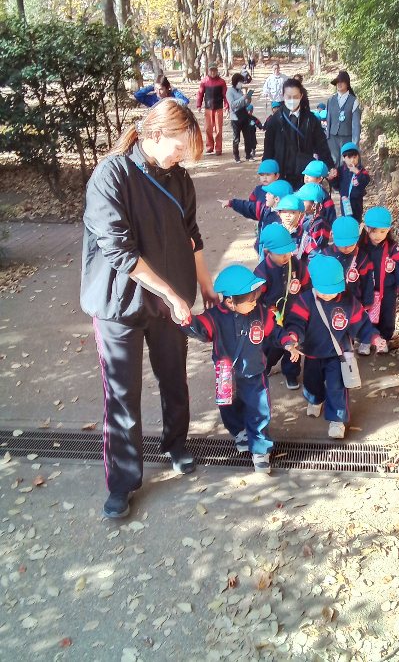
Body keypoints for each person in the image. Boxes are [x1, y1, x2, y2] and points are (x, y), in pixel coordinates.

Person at [81, 99, 215, 519]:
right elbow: (120, 251)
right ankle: (122, 481)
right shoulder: (111, 175)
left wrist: (205, 285)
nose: (183, 156)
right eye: (179, 147)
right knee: (122, 393)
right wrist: (171, 294)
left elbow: (192, 235)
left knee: (174, 377)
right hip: (118, 302)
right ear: (155, 134)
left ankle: (176, 444)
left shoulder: (180, 179)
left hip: (169, 302)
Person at [182, 265, 275, 473]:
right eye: (250, 299)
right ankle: (240, 431)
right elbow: (201, 329)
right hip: (226, 375)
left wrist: (287, 340)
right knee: (228, 407)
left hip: (254, 372)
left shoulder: (259, 313)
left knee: (260, 409)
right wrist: (186, 320)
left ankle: (260, 449)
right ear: (230, 302)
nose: (255, 302)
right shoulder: (214, 317)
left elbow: (274, 330)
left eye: (255, 297)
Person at [281, 255, 387, 439]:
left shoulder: (348, 301)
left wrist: (374, 337)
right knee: (312, 383)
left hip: (338, 353)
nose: (327, 295)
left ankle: (337, 420)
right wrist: (293, 336)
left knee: (337, 386)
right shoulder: (305, 300)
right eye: (323, 291)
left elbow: (361, 323)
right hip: (313, 352)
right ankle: (315, 400)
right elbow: (296, 322)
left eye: (332, 290)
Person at [254, 224, 311, 390]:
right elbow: (256, 299)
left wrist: (307, 307)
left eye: (288, 251)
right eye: (281, 253)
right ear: (268, 252)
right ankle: (265, 366)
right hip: (272, 317)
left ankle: (291, 373)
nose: (286, 256)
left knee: (293, 342)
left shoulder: (297, 265)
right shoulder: (261, 272)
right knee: (270, 346)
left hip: (295, 314)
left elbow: (307, 285)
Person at [263, 78, 335, 190]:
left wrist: (330, 166)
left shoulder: (311, 120)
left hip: (305, 176)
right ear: (283, 96)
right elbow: (268, 149)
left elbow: (321, 146)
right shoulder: (275, 120)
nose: (292, 100)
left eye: (295, 97)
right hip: (281, 175)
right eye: (289, 97)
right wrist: (266, 172)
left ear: (301, 96)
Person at [357, 207, 399, 355]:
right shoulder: (360, 247)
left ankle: (383, 339)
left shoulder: (393, 248)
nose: (378, 236)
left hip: (387, 289)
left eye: (382, 231)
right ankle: (365, 339)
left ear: (388, 230)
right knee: (366, 314)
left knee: (386, 315)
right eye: (374, 231)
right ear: (366, 229)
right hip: (366, 288)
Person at [218, 179, 292, 255]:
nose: (265, 195)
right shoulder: (265, 208)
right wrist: (232, 203)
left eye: (269, 194)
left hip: (274, 255)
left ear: (276, 199)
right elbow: (248, 207)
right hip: (263, 250)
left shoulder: (285, 220)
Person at [325, 216, 374, 307]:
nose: (346, 248)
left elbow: (367, 283)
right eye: (342, 244)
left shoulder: (362, 258)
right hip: (331, 303)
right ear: (332, 236)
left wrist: (367, 303)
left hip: (354, 304)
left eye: (351, 244)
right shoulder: (326, 255)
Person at [326, 70, 361, 167]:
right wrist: (327, 137)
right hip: (332, 138)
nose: (339, 84)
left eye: (342, 82)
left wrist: (355, 144)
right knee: (333, 163)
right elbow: (328, 120)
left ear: (347, 84)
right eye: (337, 82)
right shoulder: (331, 100)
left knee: (345, 164)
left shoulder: (353, 101)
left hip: (347, 137)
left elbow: (356, 125)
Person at [329, 142, 370, 223]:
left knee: (356, 221)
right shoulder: (340, 170)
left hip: (357, 202)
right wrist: (332, 178)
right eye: (349, 157)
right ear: (343, 158)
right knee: (347, 220)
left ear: (358, 157)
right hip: (345, 201)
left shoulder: (361, 170)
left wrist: (357, 173)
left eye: (355, 157)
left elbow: (366, 181)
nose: (352, 160)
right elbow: (336, 186)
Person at [195, 62, 228, 155]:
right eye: (211, 70)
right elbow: (200, 93)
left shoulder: (221, 82)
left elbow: (225, 95)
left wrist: (226, 105)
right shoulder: (204, 81)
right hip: (208, 108)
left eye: (214, 70)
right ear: (208, 71)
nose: (213, 72)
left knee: (218, 129)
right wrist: (198, 105)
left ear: (217, 71)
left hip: (218, 108)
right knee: (208, 129)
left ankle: (218, 148)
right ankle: (209, 146)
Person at [295, 183, 332, 259]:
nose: (300, 202)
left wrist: (304, 260)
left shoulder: (320, 223)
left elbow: (317, 248)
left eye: (303, 200)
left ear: (314, 204)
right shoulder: (303, 217)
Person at [226, 73, 255, 162]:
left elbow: (244, 104)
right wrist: (242, 98)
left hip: (244, 115)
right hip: (235, 117)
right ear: (236, 81)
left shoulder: (240, 91)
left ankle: (248, 155)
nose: (241, 84)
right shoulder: (230, 91)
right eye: (240, 82)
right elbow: (232, 105)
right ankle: (236, 156)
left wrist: (248, 99)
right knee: (236, 138)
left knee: (247, 136)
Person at [302, 160, 336, 226]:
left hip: (318, 228)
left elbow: (331, 218)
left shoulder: (323, 196)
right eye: (305, 174)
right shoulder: (303, 191)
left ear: (320, 179)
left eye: (310, 175)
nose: (306, 177)